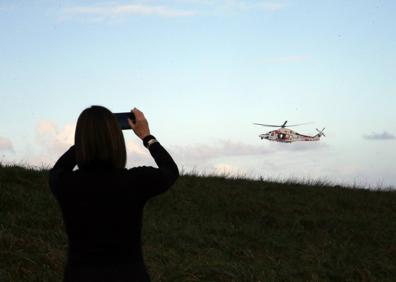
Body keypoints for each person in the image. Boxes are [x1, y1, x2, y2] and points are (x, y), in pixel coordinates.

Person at [49, 105, 179, 282]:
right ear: (116, 139)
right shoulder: (134, 181)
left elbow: (59, 169)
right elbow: (170, 171)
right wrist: (147, 137)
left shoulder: (64, 183)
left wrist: (87, 138)